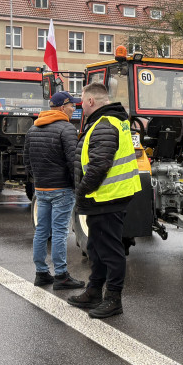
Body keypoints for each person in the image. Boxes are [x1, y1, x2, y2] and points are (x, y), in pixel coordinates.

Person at [66, 82, 141, 318]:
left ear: (91, 101)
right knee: (96, 247)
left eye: (82, 101)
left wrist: (82, 192)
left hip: (107, 196)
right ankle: (94, 290)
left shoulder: (105, 124)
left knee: (110, 250)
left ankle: (113, 299)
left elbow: (99, 165)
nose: (81, 105)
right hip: (105, 195)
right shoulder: (109, 121)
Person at [24, 90, 85, 290]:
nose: (74, 108)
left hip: (41, 188)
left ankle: (41, 272)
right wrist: (77, 186)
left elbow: (27, 160)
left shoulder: (33, 128)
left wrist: (38, 179)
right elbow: (73, 161)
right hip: (62, 189)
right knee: (59, 232)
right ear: (62, 107)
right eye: (71, 105)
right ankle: (61, 275)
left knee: (42, 230)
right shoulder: (67, 129)